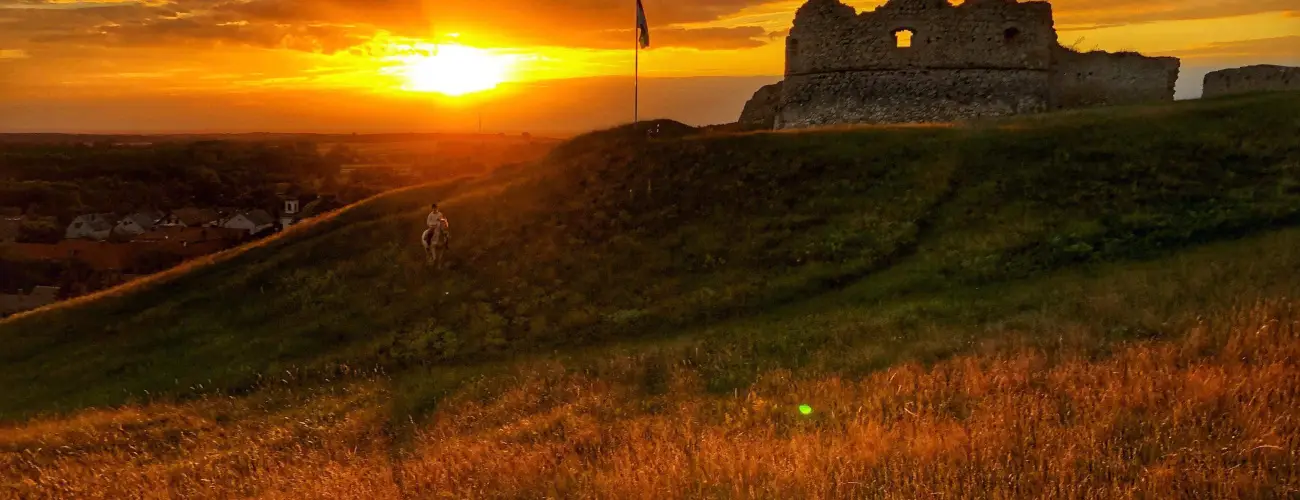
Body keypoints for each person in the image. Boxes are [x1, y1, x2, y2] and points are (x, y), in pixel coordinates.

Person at [422, 203, 450, 268]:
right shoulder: (430, 215)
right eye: (434, 208)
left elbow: (442, 220)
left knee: (446, 234)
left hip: (439, 227)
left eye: (436, 208)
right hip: (432, 227)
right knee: (429, 233)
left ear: (437, 208)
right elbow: (428, 222)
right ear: (432, 209)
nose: (435, 209)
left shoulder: (440, 214)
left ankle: (446, 245)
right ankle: (428, 245)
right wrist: (433, 224)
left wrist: (442, 223)